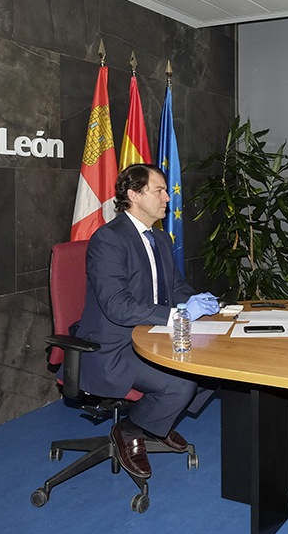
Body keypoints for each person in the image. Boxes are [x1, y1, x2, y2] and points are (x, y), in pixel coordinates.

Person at [72, 163, 219, 480]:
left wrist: (201, 304)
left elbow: (176, 289)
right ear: (133, 195)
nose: (168, 198)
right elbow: (118, 307)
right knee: (182, 384)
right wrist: (179, 314)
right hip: (114, 346)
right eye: (159, 190)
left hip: (153, 335)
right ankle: (130, 429)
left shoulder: (161, 239)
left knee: (214, 369)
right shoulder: (108, 240)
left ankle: (157, 423)